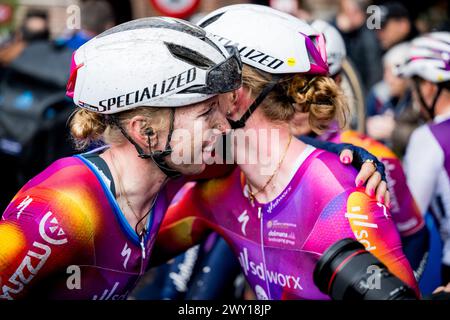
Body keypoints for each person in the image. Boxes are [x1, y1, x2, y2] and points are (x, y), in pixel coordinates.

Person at [152, 4, 419, 300]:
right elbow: (126, 258)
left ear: (233, 95)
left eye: (199, 88)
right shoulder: (221, 188)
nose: (184, 102)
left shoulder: (342, 198)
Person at [0, 17, 242, 300]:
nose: (223, 126)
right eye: (206, 113)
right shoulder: (62, 209)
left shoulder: (165, 175)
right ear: (145, 131)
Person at [292, 20, 428, 280]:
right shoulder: (273, 148)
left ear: (338, 81)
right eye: (293, 87)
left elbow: (416, 238)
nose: (301, 100)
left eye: (314, 85)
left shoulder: (376, 155)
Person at [397, 31, 450, 285]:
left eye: (415, 87)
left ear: (430, 86)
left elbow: (410, 214)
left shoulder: (427, 137)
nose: (414, 98)